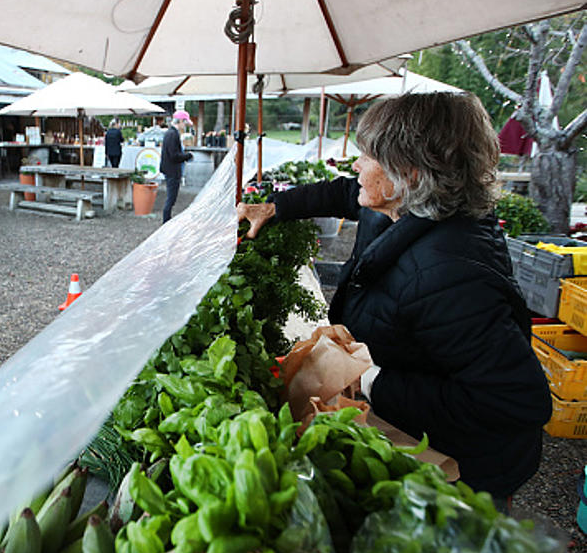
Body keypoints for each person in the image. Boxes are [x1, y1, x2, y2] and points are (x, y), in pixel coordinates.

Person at [238, 92, 550, 503]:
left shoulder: (451, 274)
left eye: (367, 156)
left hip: (462, 473)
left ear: (411, 173)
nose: (356, 166)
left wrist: (370, 377)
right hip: (415, 432)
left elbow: (515, 402)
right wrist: (276, 207)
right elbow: (346, 193)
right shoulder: (401, 203)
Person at [160, 110, 194, 223]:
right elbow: (174, 156)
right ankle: (166, 221)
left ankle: (167, 220)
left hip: (170, 169)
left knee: (171, 198)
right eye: (184, 123)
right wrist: (187, 156)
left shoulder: (171, 133)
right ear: (180, 121)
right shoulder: (172, 134)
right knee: (171, 199)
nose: (184, 126)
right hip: (172, 170)